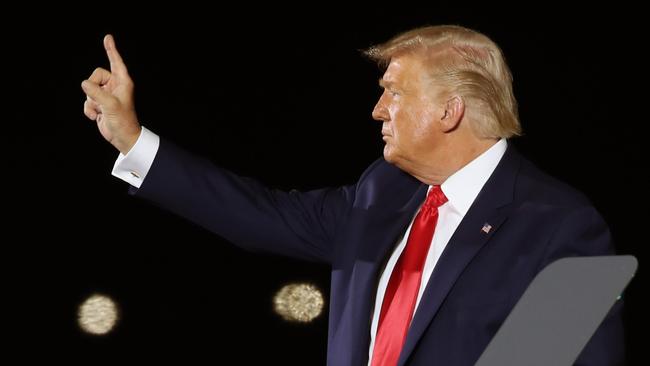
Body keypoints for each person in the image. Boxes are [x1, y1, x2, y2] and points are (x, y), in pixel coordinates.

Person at [81, 25, 624, 365]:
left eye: (393, 93)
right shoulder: (380, 192)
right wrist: (132, 139)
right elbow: (261, 214)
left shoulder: (563, 225)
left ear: (449, 110)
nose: (377, 111)